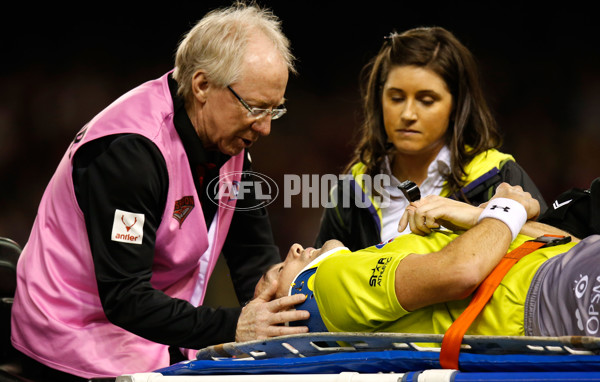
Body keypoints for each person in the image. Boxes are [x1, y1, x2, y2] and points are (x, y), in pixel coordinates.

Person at [10, 3, 309, 380]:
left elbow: (252, 255)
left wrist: (279, 304)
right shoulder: (129, 153)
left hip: (151, 338)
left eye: (274, 110)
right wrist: (236, 326)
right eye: (255, 108)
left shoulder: (229, 139)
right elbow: (125, 298)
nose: (265, 128)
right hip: (71, 341)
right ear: (202, 85)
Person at [262, 183, 600, 341]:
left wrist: (481, 216)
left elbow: (563, 242)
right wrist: (506, 208)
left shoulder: (363, 262)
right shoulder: (326, 282)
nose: (293, 248)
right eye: (278, 271)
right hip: (552, 292)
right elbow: (461, 271)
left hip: (567, 268)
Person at [315, 26, 547, 252]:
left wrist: (480, 217)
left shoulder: (498, 175)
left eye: (426, 101)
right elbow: (314, 277)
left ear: (456, 106)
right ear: (379, 100)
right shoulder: (354, 188)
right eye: (396, 98)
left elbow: (562, 253)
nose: (408, 114)